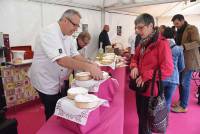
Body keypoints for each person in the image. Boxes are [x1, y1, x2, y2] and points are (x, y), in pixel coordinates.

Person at [28, 9, 103, 120]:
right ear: (65, 20)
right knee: (52, 111)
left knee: (59, 107)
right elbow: (61, 60)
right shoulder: (49, 32)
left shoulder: (69, 36)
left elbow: (74, 55)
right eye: (75, 25)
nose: (76, 29)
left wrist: (90, 62)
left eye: (78, 26)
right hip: (45, 80)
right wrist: (88, 67)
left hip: (57, 79)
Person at [130, 13, 173, 134]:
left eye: (141, 27)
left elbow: (168, 70)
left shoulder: (162, 44)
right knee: (142, 117)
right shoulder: (142, 42)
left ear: (151, 26)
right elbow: (135, 58)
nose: (138, 31)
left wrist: (146, 74)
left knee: (147, 122)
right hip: (140, 87)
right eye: (137, 28)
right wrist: (134, 66)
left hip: (151, 90)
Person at [171, 14, 200, 113]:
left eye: (177, 23)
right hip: (181, 60)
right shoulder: (178, 30)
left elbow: (197, 42)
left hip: (190, 60)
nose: (177, 26)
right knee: (180, 82)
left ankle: (183, 106)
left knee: (185, 83)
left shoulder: (192, 28)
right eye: (175, 25)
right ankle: (181, 100)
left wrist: (184, 46)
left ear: (182, 20)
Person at [162, 27, 185, 111]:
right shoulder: (178, 49)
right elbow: (181, 66)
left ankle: (155, 121)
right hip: (174, 78)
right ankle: (164, 122)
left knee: (158, 101)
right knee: (168, 101)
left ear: (163, 35)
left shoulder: (160, 47)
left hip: (161, 77)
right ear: (174, 35)